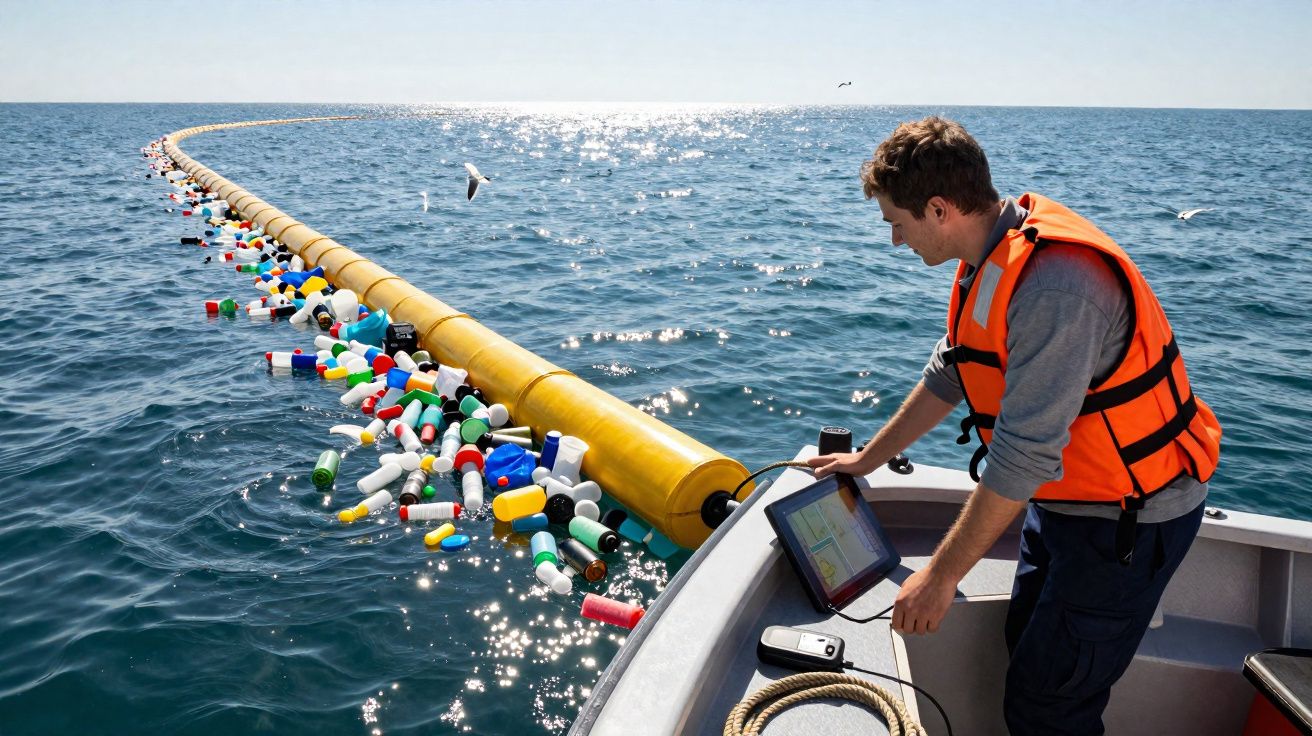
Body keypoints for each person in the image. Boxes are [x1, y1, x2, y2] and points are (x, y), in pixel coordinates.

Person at [808, 116, 1222, 735]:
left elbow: (1023, 456)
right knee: (1026, 659)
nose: (895, 241)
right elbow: (951, 372)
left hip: (1126, 525)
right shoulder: (988, 254)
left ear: (940, 208)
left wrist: (940, 577)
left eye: (897, 223)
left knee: (1049, 705)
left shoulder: (1057, 287)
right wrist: (864, 460)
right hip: (1062, 506)